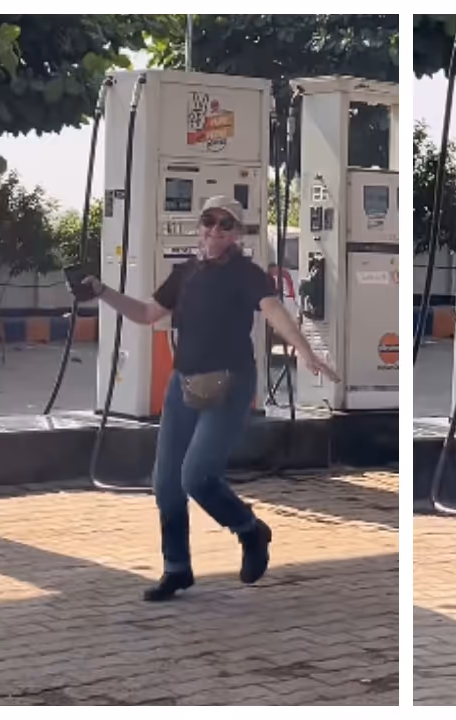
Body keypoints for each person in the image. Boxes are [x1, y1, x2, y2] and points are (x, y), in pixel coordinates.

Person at [83, 196, 339, 602]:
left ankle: (250, 531)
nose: (215, 230)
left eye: (226, 224)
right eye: (209, 221)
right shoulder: (184, 273)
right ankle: (177, 569)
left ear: (237, 234)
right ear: (199, 225)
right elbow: (147, 314)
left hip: (231, 384)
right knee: (166, 482)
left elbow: (274, 311)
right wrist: (102, 291)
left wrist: (305, 351)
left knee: (197, 476)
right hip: (184, 384)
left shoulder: (247, 274)